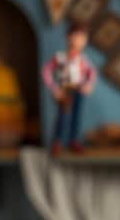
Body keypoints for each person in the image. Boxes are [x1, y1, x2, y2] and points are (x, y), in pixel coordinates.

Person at [42, 21, 97, 154]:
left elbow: (92, 73)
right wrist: (54, 88)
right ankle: (58, 141)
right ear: (68, 37)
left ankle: (74, 141)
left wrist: (88, 85)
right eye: (76, 36)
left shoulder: (83, 59)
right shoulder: (60, 57)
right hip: (65, 90)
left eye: (82, 38)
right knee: (63, 116)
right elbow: (46, 71)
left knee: (76, 115)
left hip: (78, 89)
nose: (78, 41)